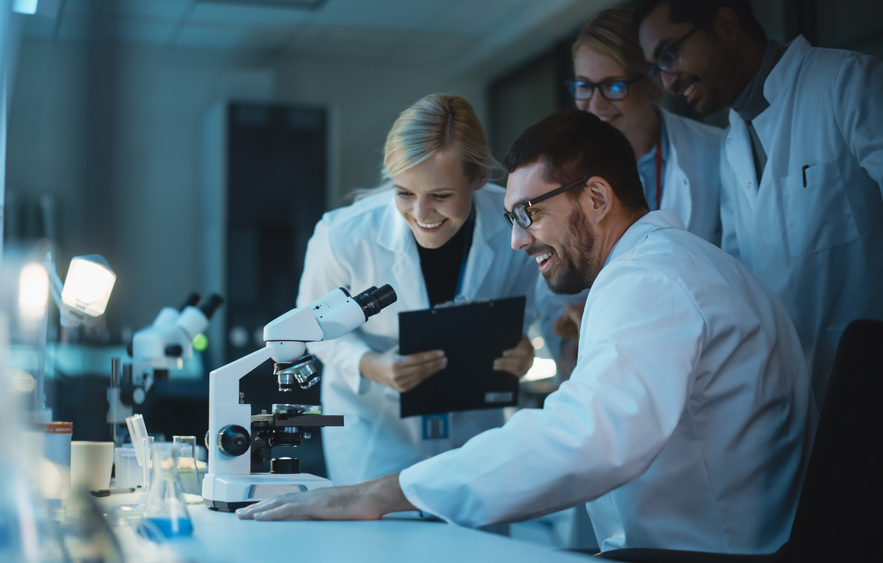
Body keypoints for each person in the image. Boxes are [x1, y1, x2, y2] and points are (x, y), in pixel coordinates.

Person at [239, 109, 817, 555]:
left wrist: (387, 490)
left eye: (527, 214)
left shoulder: (648, 282)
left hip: (707, 551)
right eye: (513, 217)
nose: (516, 239)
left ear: (596, 197)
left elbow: (588, 437)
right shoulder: (677, 264)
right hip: (720, 537)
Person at [635, 0, 883, 410]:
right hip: (799, 402)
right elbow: (744, 285)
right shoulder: (732, 144)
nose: (666, 81)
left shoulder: (847, 82)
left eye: (669, 54)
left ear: (727, 24)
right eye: (655, 68)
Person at [295, 94, 539, 486]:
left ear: (477, 179)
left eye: (441, 196)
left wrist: (520, 344)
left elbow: (525, 304)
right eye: (404, 193)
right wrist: (370, 365)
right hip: (376, 427)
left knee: (476, 539)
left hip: (473, 423)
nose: (421, 215)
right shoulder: (342, 236)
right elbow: (311, 328)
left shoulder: (513, 222)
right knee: (383, 540)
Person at [540, 7, 725, 373]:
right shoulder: (561, 176)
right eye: (583, 86)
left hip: (707, 352)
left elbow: (734, 265)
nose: (594, 104)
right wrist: (570, 341)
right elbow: (550, 291)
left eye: (614, 85)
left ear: (654, 82)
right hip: (612, 359)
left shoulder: (716, 153)